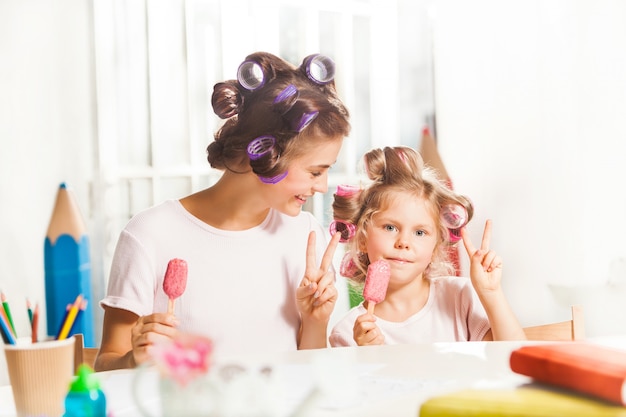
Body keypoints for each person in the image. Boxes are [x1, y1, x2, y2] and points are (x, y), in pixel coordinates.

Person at [95, 51, 351, 370]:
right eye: (315, 171)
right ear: (264, 154)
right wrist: (135, 359)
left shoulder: (305, 234)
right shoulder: (150, 234)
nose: (322, 186)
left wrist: (315, 321)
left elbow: (309, 374)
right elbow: (106, 364)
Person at [328, 146, 526, 347]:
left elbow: (515, 356)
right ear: (362, 238)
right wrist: (367, 356)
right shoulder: (347, 332)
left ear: (435, 247)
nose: (403, 242)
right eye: (390, 227)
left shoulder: (459, 297)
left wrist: (491, 293)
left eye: (420, 232)